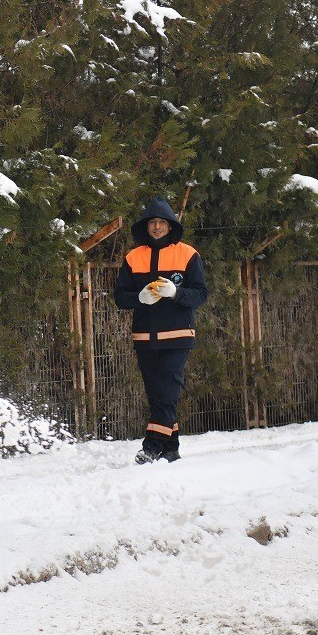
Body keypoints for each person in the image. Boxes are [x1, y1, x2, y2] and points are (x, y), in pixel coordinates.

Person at [113, 196, 208, 463]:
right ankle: (171, 448)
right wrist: (138, 298)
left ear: (171, 225)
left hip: (178, 337)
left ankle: (152, 446)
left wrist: (177, 292)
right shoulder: (133, 257)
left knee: (167, 391)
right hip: (144, 338)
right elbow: (120, 297)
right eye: (152, 222)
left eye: (161, 222)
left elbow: (201, 294)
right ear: (145, 226)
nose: (156, 227)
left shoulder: (188, 254)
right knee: (158, 395)